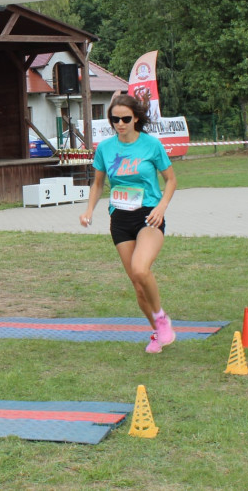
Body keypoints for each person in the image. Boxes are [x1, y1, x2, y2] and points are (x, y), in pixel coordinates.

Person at [79, 93, 178, 354]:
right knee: (137, 284)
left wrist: (161, 206)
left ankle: (161, 319)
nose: (120, 123)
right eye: (115, 119)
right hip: (120, 219)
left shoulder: (151, 145)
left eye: (125, 118)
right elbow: (98, 183)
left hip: (149, 216)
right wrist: (89, 210)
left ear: (136, 118)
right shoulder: (105, 148)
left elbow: (171, 180)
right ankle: (158, 332)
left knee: (140, 269)